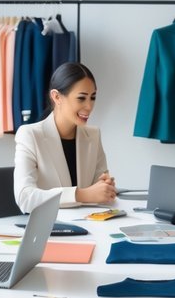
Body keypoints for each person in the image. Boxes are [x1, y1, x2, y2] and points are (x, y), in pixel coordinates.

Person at [14, 62, 116, 213]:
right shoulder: (30, 135)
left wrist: (106, 188)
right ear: (56, 97)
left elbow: (100, 192)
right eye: (81, 98)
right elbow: (24, 197)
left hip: (90, 226)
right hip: (50, 229)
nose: (89, 106)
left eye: (92, 97)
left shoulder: (93, 135)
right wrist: (82, 194)